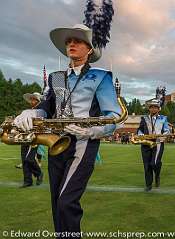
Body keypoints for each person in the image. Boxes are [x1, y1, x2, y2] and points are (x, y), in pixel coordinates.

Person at [13, 20, 120, 237]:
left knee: (65, 202)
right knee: (56, 203)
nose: (71, 44)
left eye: (78, 41)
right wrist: (33, 113)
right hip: (56, 143)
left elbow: (115, 117)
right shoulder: (57, 77)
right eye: (69, 41)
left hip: (83, 143)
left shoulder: (101, 76)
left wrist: (91, 131)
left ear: (89, 49)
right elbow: (47, 105)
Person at [137, 87, 170, 192]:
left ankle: (157, 175)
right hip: (146, 143)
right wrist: (141, 135)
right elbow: (139, 129)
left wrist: (160, 137)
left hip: (158, 143)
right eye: (151, 107)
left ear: (158, 108)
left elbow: (167, 131)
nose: (153, 109)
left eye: (155, 107)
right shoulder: (144, 118)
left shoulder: (163, 118)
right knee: (147, 165)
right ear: (149, 108)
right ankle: (148, 184)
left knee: (154, 164)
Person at [19, 92, 44, 188]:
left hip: (34, 137)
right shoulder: (27, 111)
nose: (31, 101)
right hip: (24, 136)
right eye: (31, 99)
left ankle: (39, 174)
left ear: (38, 101)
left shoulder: (41, 111)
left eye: (34, 99)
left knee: (29, 159)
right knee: (24, 160)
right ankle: (27, 181)